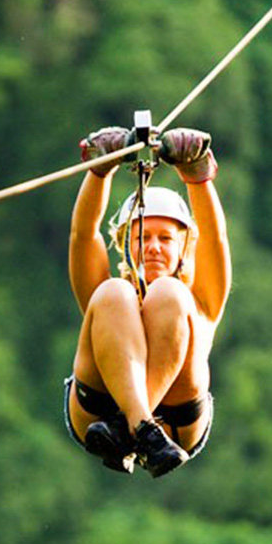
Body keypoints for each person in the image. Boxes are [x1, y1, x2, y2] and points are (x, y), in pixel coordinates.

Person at [63, 125, 231, 477]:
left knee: (169, 294)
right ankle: (141, 428)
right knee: (114, 293)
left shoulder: (199, 299)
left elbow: (215, 237)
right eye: (142, 236)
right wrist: (99, 170)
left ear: (184, 246)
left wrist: (197, 175)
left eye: (165, 238)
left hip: (173, 422)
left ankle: (129, 430)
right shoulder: (111, 295)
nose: (153, 246)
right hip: (99, 413)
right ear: (125, 241)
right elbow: (83, 235)